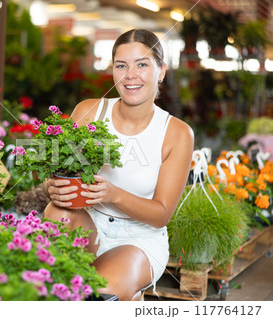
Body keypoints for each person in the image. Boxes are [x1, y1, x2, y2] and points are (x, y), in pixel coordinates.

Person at [43, 29, 194, 300]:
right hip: (90, 222)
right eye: (121, 65)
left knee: (98, 294)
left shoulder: (176, 133)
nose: (130, 75)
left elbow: (161, 215)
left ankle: (127, 292)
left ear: (161, 71)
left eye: (142, 65)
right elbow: (57, 170)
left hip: (138, 238)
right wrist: (53, 186)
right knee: (57, 213)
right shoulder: (89, 111)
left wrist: (114, 194)